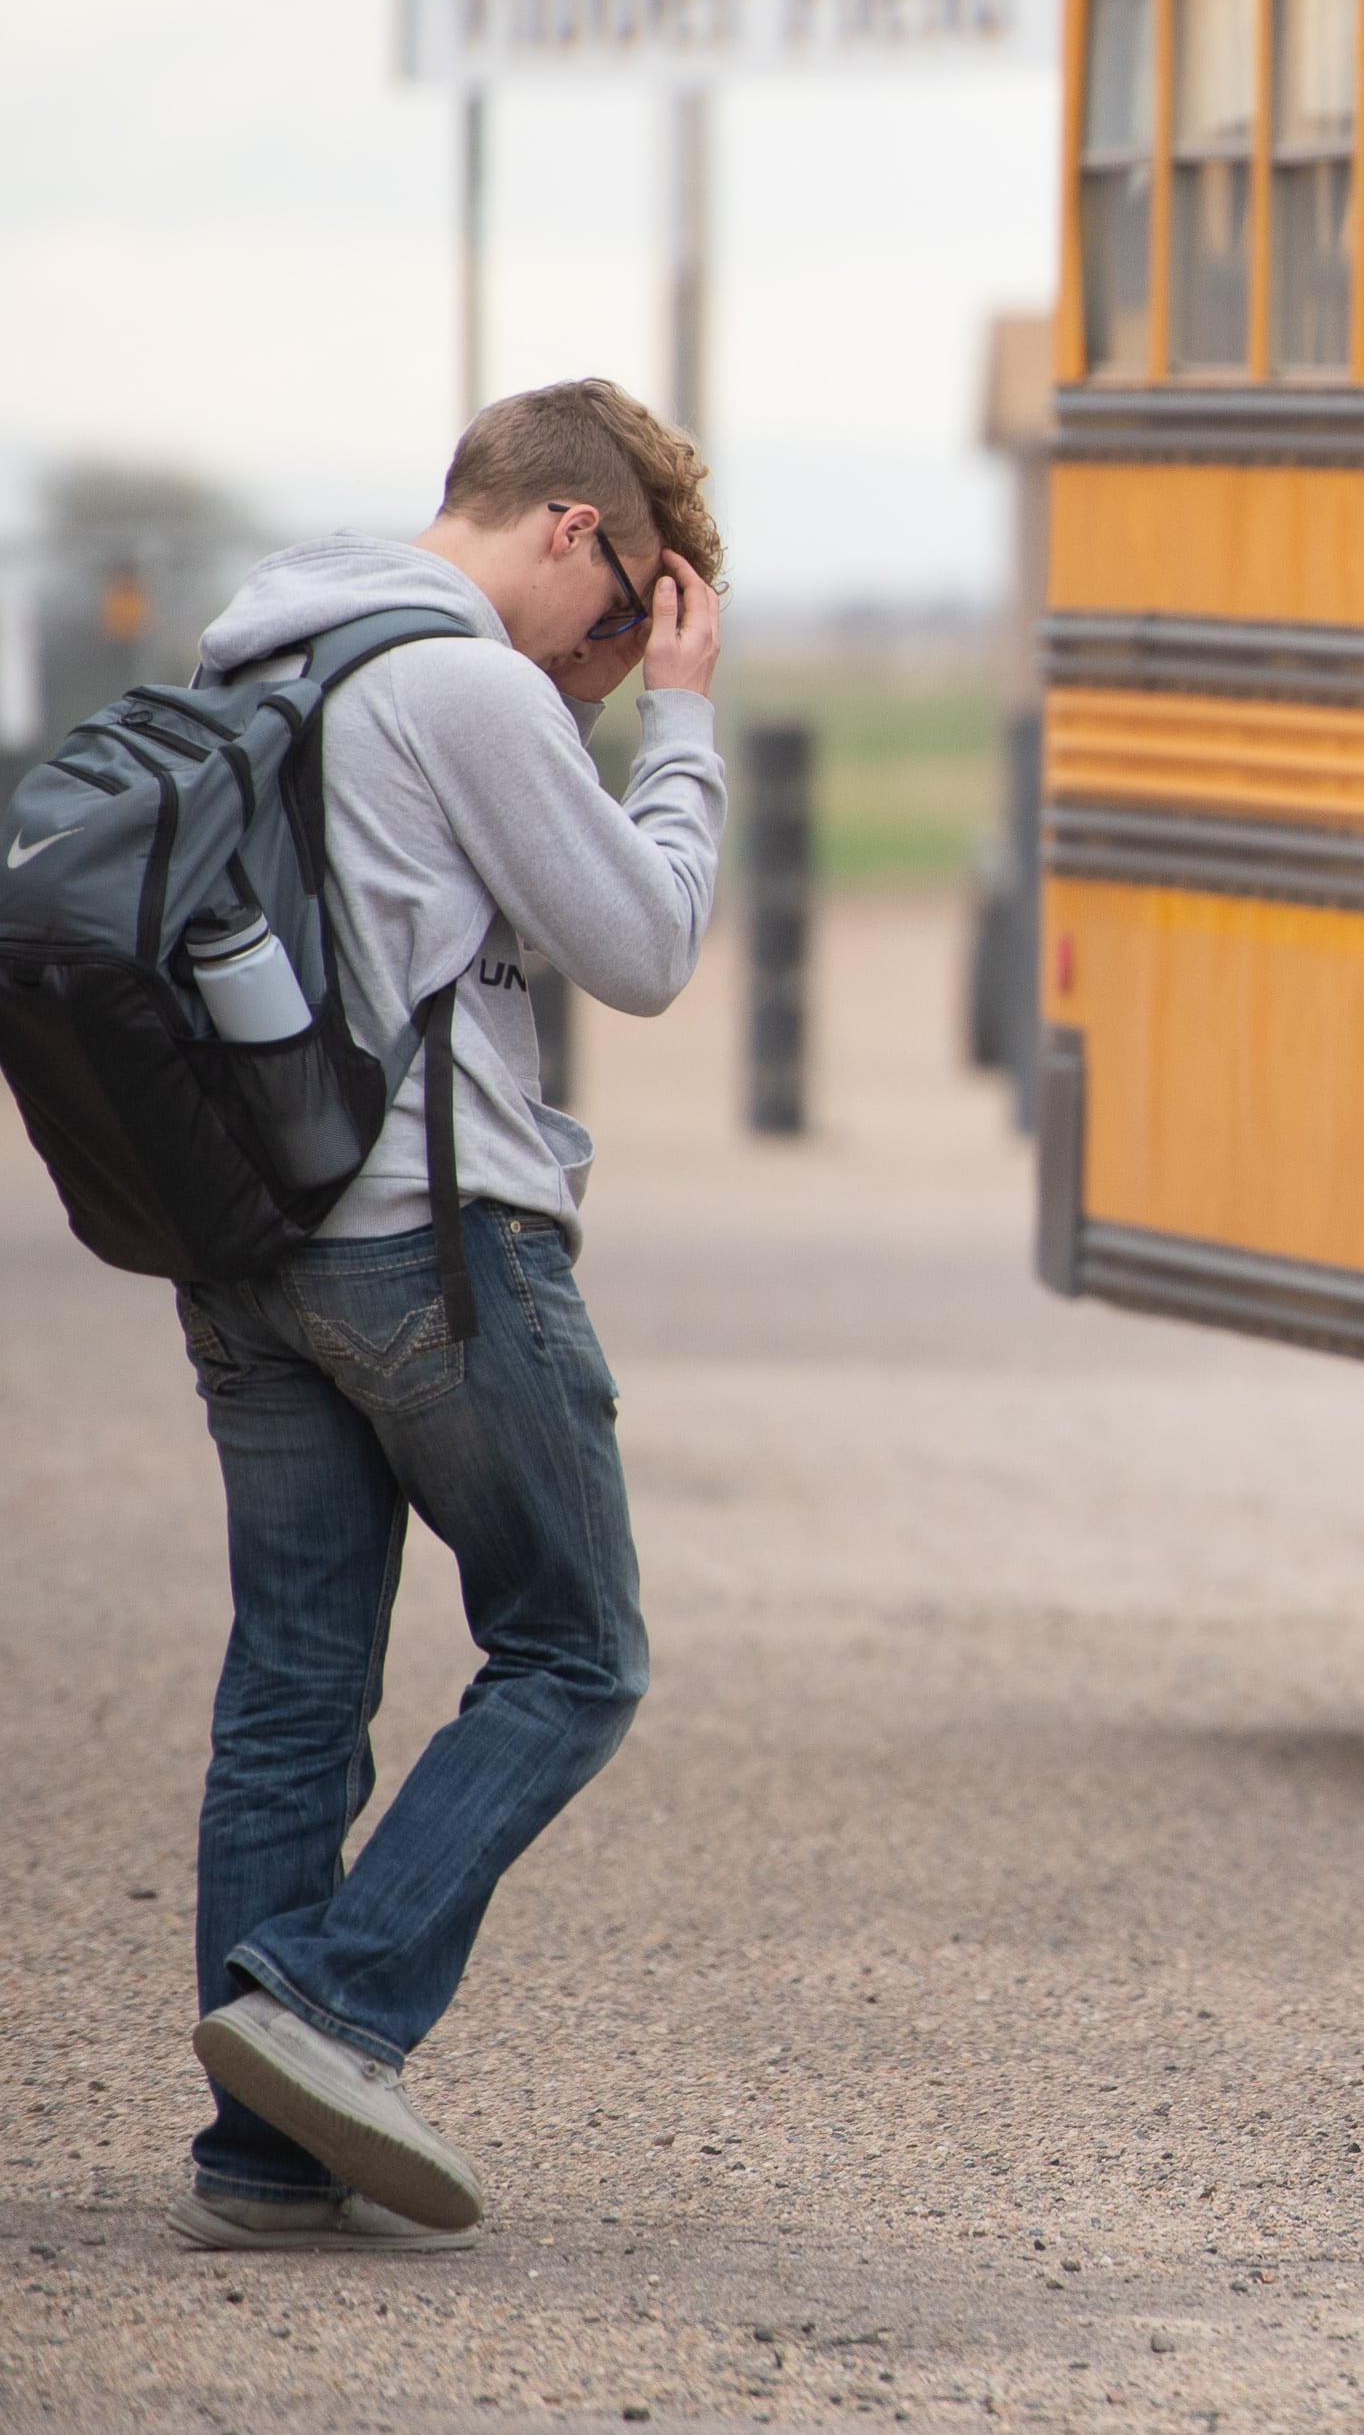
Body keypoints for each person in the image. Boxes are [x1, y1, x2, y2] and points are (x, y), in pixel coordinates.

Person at [165, 379, 728, 2254]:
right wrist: (690, 725)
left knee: (295, 1686)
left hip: (248, 1250)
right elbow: (642, 948)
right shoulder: (464, 682)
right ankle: (326, 2007)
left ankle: (260, 2157)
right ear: (569, 528)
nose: (613, 656)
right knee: (578, 1648)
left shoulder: (271, 651)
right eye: (627, 607)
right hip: (435, 1244)